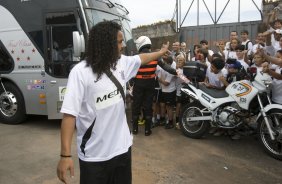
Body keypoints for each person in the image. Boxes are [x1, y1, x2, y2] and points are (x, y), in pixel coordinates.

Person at [56, 21, 170, 184]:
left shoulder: (122, 62)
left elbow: (143, 58)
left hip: (123, 150)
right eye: (119, 41)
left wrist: (161, 52)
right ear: (106, 44)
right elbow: (69, 116)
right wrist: (65, 155)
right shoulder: (80, 73)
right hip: (94, 156)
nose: (123, 46)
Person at [131, 36, 176, 136]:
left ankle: (135, 130)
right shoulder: (155, 56)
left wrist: (131, 84)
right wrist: (176, 72)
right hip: (150, 83)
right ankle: (147, 130)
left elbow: (130, 73)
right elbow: (166, 67)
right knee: (148, 106)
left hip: (138, 83)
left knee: (136, 105)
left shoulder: (136, 57)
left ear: (140, 45)